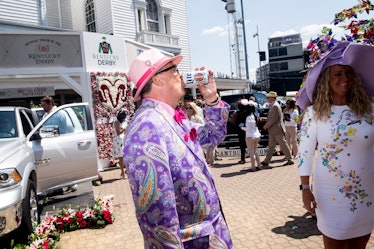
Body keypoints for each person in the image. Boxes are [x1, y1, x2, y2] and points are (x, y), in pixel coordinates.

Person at [123, 48, 233, 248]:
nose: (180, 74)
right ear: (156, 79)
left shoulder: (171, 117)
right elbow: (156, 214)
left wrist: (212, 99)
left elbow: (212, 135)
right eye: (174, 69)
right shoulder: (146, 126)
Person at [297, 43, 374, 249]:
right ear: (326, 81)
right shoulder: (315, 113)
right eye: (337, 74)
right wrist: (305, 188)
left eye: (348, 73)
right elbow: (304, 153)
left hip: (367, 193)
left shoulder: (370, 109)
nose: (344, 78)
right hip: (330, 195)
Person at [261, 91, 294, 166]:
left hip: (277, 129)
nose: (267, 99)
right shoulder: (274, 105)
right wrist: (266, 120)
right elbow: (273, 117)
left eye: (268, 97)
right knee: (271, 146)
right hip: (274, 129)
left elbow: (274, 119)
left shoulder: (275, 106)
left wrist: (266, 125)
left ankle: (290, 159)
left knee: (283, 144)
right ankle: (266, 161)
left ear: (272, 98)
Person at [241, 100, 262, 172]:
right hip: (257, 135)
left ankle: (253, 167)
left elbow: (248, 129)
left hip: (250, 136)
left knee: (251, 152)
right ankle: (259, 165)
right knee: (256, 151)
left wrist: (241, 127)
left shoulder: (248, 118)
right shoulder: (255, 116)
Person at [230, 98, 250, 164]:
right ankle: (253, 158)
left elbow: (232, 121)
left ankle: (243, 159)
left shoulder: (237, 113)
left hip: (241, 129)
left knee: (242, 145)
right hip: (248, 129)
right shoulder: (249, 113)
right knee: (250, 144)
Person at [112, 111, 127, 179]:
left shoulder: (120, 122)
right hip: (118, 140)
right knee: (121, 157)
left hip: (121, 139)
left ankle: (123, 172)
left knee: (124, 156)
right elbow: (118, 133)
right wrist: (124, 129)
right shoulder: (116, 122)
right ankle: (123, 173)